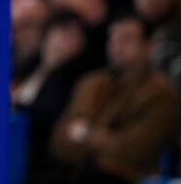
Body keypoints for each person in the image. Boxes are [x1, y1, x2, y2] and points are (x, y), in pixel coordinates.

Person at [51, 13, 180, 183]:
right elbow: (60, 140)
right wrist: (102, 141)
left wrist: (87, 136)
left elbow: (134, 149)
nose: (117, 46)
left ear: (149, 46)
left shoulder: (163, 95)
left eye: (126, 39)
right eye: (112, 39)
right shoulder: (92, 83)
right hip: (77, 173)